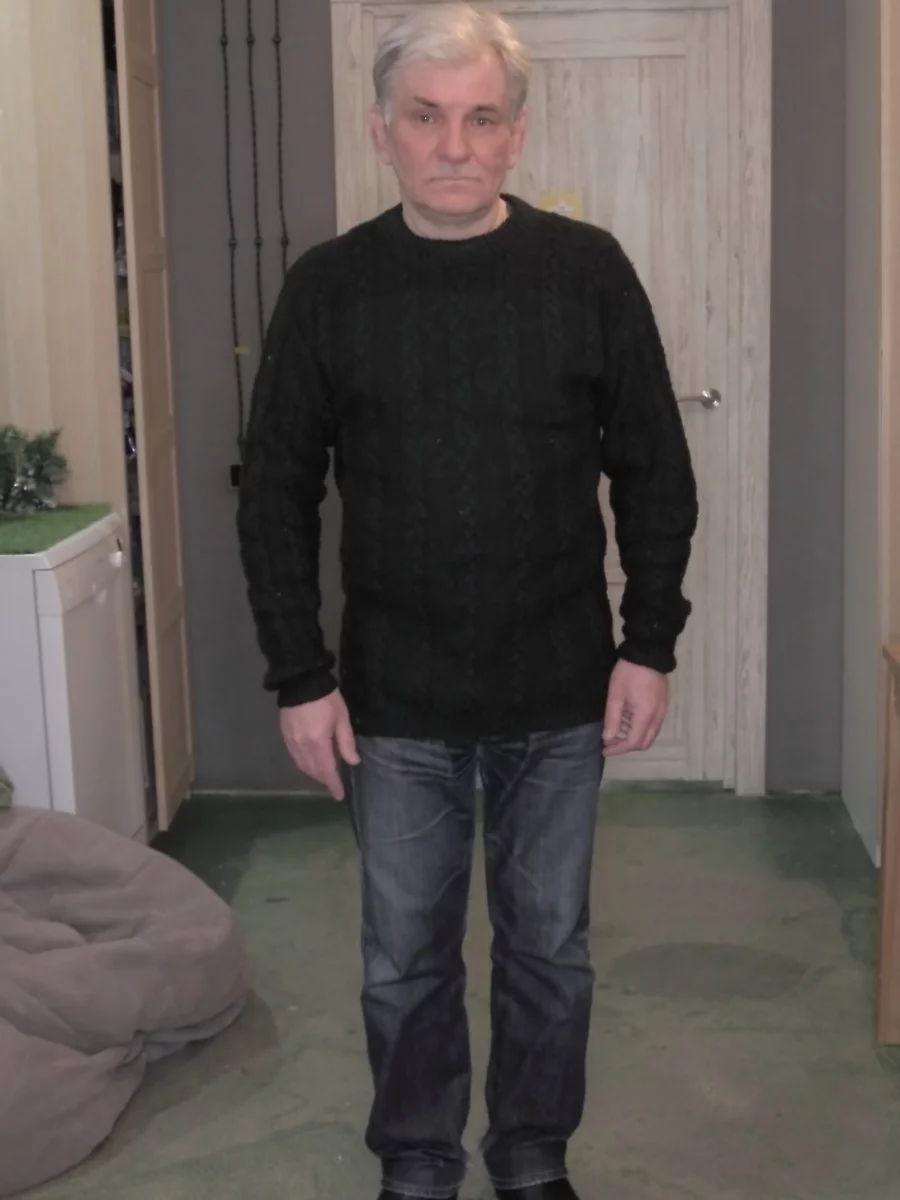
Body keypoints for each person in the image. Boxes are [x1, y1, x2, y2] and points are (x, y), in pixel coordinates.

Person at [237, 5, 698, 1198]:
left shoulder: (586, 273)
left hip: (559, 688)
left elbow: (654, 466)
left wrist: (648, 644)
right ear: (381, 130)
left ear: (517, 132)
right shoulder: (330, 288)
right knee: (405, 961)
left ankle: (533, 1157)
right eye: (427, 117)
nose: (455, 145)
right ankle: (419, 1163)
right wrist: (300, 676)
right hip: (393, 701)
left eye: (481, 118)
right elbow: (274, 491)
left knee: (550, 953)